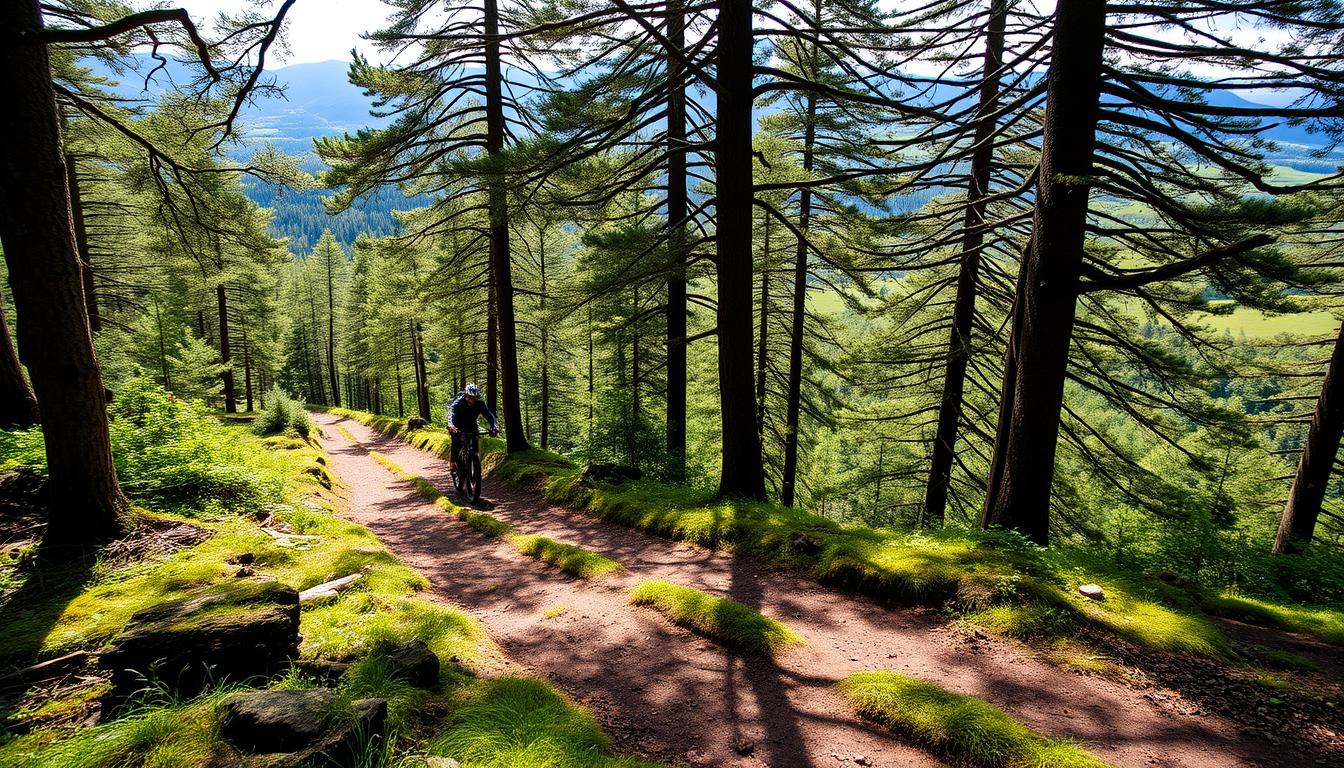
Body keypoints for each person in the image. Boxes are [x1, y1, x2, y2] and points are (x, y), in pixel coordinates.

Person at [448, 383, 497, 475]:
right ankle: (452, 462)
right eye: (470, 397)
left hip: (471, 425)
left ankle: (475, 461)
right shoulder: (459, 403)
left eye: (475, 397)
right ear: (466, 396)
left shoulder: (480, 404)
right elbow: (451, 414)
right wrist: (451, 425)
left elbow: (489, 416)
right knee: (456, 442)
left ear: (478, 397)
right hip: (457, 425)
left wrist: (494, 426)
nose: (472, 400)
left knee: (475, 441)